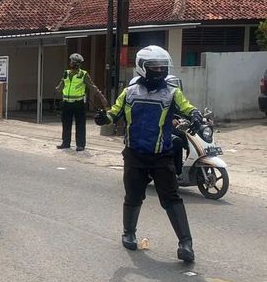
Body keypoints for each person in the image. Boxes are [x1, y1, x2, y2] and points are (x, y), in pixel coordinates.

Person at [95, 45, 203, 263]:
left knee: (171, 198)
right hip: (134, 154)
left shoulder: (172, 92)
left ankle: (186, 244)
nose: (159, 70)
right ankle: (129, 232)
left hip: (161, 155)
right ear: (142, 67)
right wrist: (102, 118)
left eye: (162, 67)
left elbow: (188, 108)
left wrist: (196, 115)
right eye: (154, 66)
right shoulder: (129, 92)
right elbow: (113, 114)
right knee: (133, 196)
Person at [55, 53, 106, 151]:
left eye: (72, 61)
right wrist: (59, 87)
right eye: (71, 61)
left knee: (80, 124)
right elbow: (61, 85)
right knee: (66, 123)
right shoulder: (66, 73)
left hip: (78, 103)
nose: (70, 63)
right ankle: (65, 143)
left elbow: (92, 86)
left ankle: (80, 144)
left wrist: (101, 96)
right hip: (66, 102)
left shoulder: (83, 74)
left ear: (76, 64)